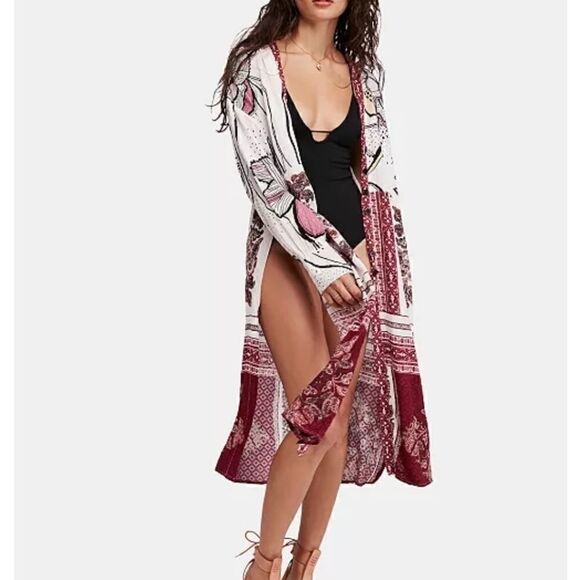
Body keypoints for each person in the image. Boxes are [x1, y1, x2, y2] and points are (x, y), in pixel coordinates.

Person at [210, 1, 433, 578]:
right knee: (316, 418)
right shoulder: (256, 66)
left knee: (336, 429)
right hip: (290, 259)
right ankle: (262, 566)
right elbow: (261, 179)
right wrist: (322, 263)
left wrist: (374, 253)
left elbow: (378, 174)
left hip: (357, 262)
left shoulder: (360, 73)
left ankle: (304, 568)